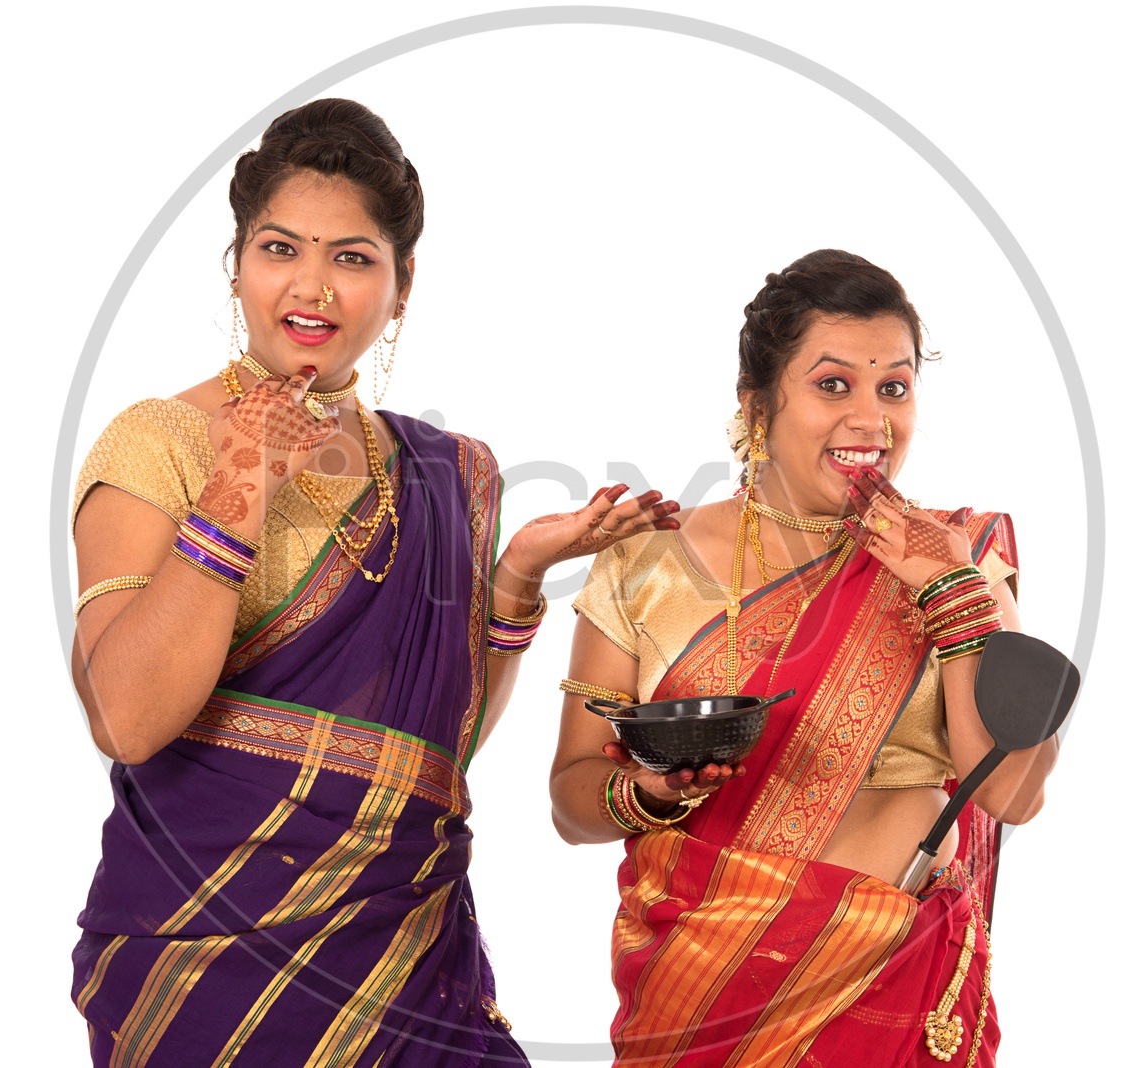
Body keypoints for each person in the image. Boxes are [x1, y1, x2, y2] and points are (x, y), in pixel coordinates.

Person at [68, 98, 679, 1068]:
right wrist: (236, 496)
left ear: (399, 287)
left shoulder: (448, 473)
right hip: (211, 976)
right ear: (237, 267)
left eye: (352, 258)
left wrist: (516, 575)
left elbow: (435, 755)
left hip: (409, 964)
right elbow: (127, 720)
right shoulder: (162, 444)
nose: (310, 287)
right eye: (279, 249)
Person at [550, 249, 1059, 1066]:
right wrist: (644, 795)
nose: (872, 419)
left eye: (893, 386)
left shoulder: (965, 554)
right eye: (833, 385)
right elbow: (572, 802)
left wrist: (952, 593)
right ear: (757, 405)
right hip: (700, 996)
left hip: (891, 990)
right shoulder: (646, 564)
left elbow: (1012, 790)